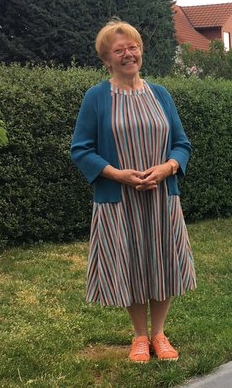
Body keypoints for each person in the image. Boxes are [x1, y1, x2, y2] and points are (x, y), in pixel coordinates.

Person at [70, 19, 196, 362]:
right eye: (119, 50)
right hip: (119, 198)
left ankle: (159, 333)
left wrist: (168, 167)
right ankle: (140, 335)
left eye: (133, 47)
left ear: (141, 51)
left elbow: (181, 144)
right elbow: (81, 149)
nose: (128, 54)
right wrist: (118, 175)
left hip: (160, 196)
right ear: (106, 59)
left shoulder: (160, 94)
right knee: (131, 264)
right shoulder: (96, 97)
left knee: (162, 260)